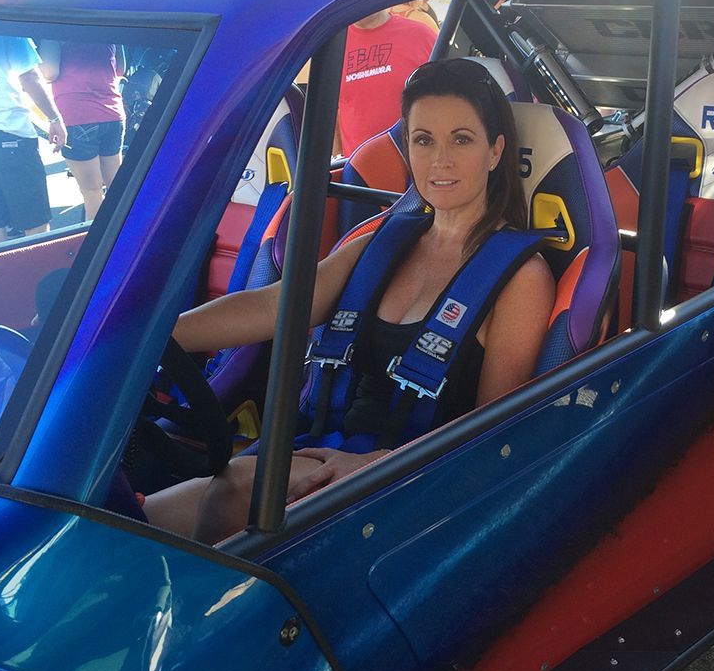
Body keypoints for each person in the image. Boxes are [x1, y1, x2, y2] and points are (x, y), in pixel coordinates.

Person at [144, 59, 555, 543]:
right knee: (137, 517)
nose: (439, 160)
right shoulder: (383, 240)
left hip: (405, 481)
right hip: (316, 450)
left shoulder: (520, 276)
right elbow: (276, 306)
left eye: (461, 139)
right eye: (423, 140)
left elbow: (488, 437)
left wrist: (370, 465)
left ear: (494, 151)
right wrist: (150, 340)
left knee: (231, 491)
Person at [0, 34, 66, 246]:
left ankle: (0, 274)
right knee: (34, 216)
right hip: (10, 129)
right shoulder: (9, 30)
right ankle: (38, 274)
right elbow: (29, 78)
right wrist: (54, 118)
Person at [37, 41, 126, 221]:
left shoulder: (55, 28)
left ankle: (98, 245)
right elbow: (120, 69)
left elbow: (50, 72)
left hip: (77, 115)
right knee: (117, 187)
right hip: (113, 113)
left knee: (92, 191)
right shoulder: (109, 25)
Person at [335, 9, 437, 157]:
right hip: (358, 170)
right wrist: (336, 158)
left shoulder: (420, 35)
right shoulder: (333, 46)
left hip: (418, 164)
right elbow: (332, 111)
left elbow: (449, 99)